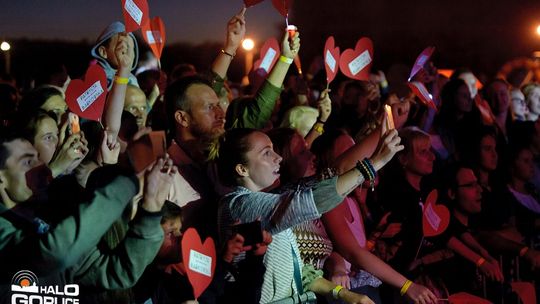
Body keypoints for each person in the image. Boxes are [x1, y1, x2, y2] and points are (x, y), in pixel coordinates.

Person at [217, 127, 405, 303]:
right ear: (242, 169)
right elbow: (310, 200)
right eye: (266, 153)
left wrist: (346, 294)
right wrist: (375, 163)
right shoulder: (239, 205)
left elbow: (299, 272)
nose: (279, 158)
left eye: (274, 150)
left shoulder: (266, 207)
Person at [90, 21, 139, 89]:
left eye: (130, 48)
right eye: (122, 48)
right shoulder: (96, 79)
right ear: (103, 52)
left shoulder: (132, 78)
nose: (128, 54)